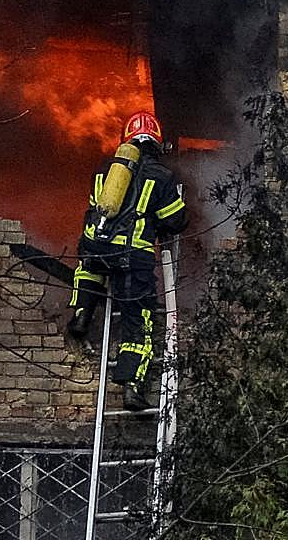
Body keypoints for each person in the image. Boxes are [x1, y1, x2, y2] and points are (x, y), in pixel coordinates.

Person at [66, 110, 187, 411]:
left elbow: (94, 210)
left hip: (96, 248)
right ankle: (133, 386)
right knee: (138, 322)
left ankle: (82, 313)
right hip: (133, 259)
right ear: (157, 142)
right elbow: (176, 221)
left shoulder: (106, 170)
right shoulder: (161, 176)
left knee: (90, 266)